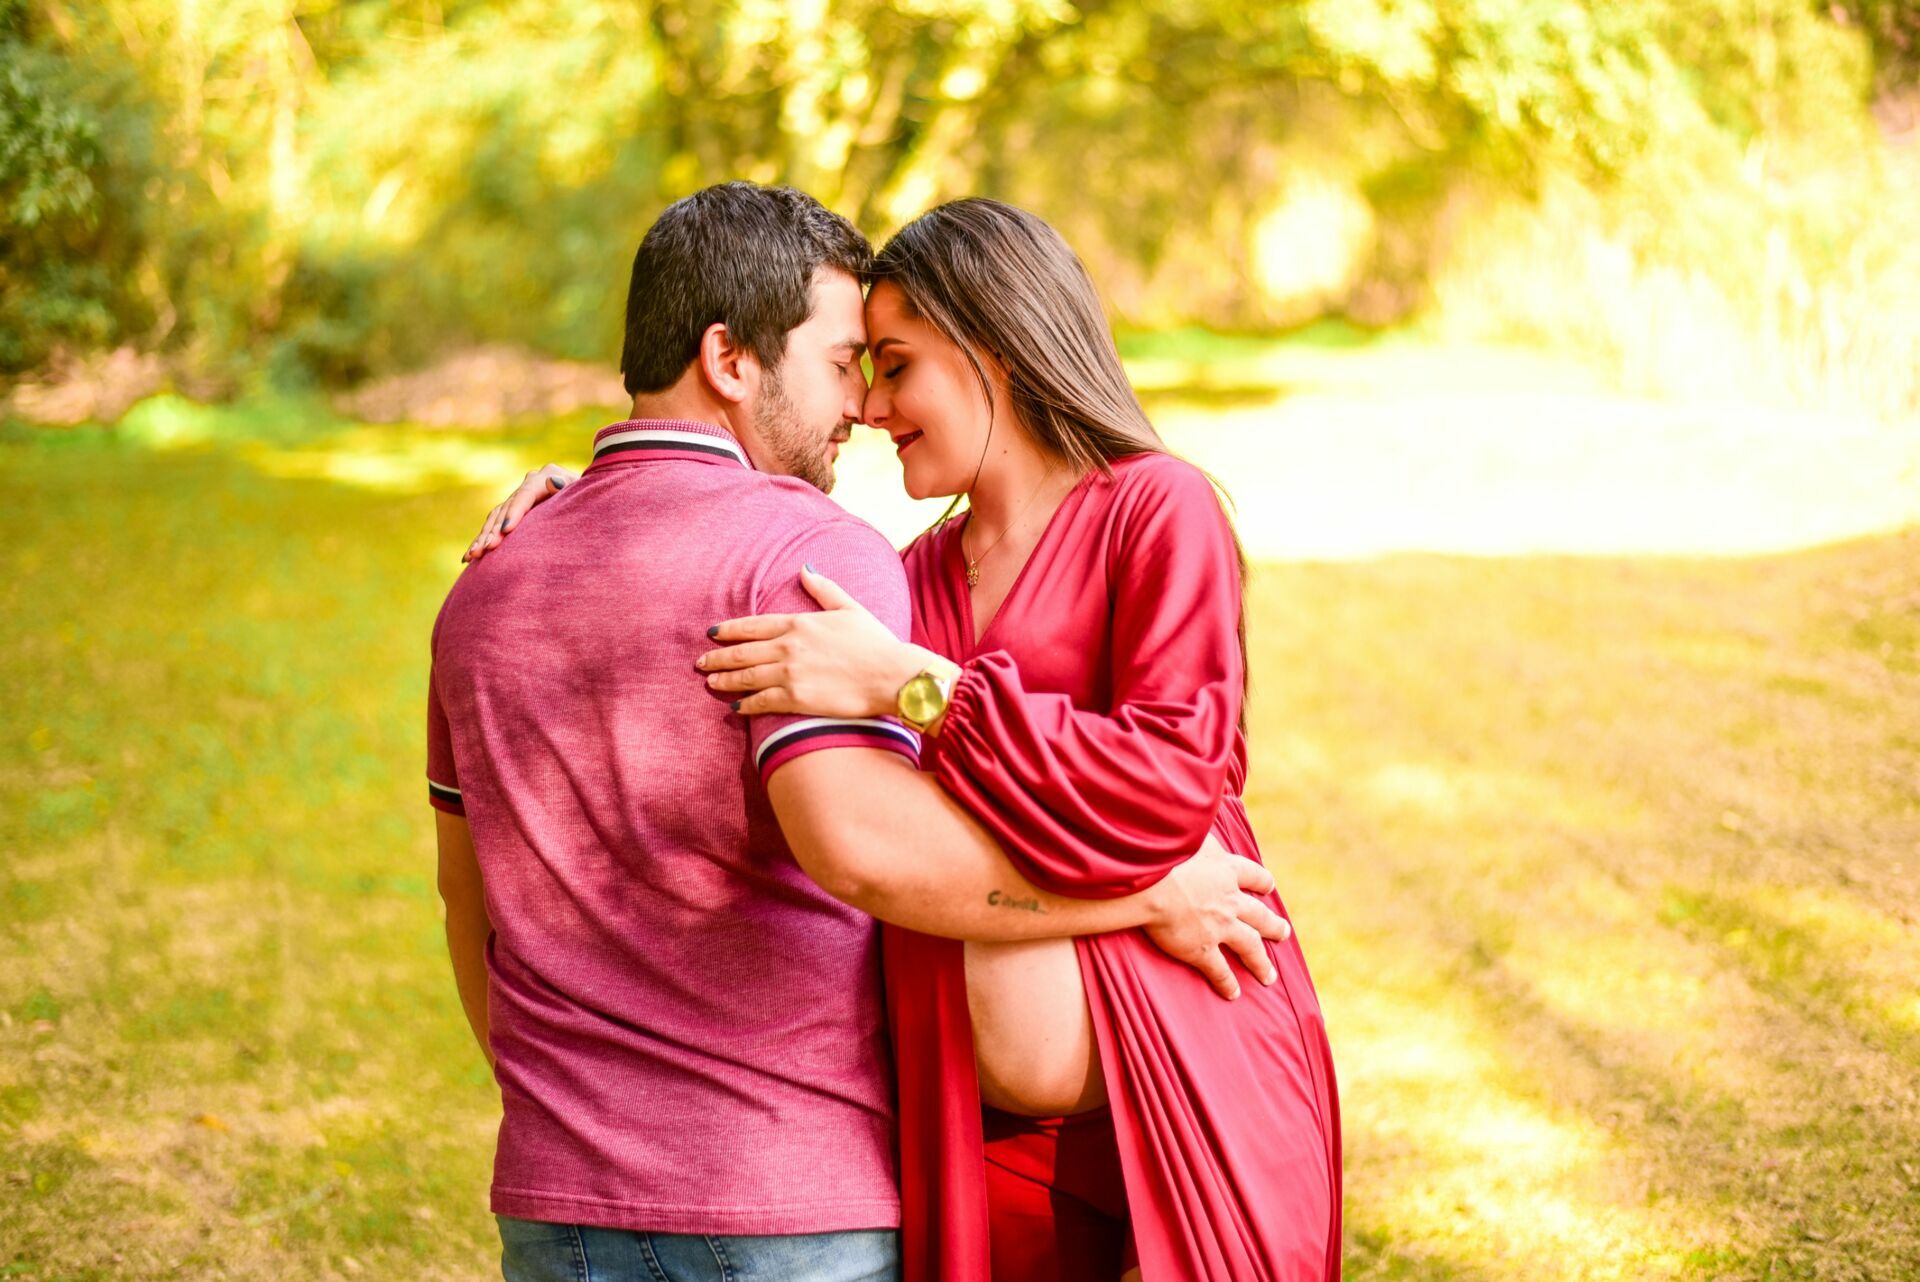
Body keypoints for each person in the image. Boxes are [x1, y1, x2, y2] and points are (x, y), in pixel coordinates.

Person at [432, 182, 1289, 1282]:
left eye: (887, 366)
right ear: (733, 360)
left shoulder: (488, 588)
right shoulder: (837, 559)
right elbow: (865, 848)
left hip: (574, 1202)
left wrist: (558, 1106)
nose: (866, 408)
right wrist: (1153, 892)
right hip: (808, 1192)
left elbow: (466, 898)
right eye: (849, 363)